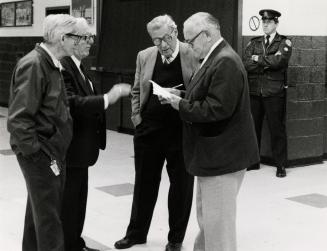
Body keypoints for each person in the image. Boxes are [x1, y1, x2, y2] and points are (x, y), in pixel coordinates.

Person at [160, 12, 259, 251]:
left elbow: (217, 110)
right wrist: (181, 95)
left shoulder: (225, 61)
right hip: (212, 156)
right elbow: (206, 96)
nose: (189, 46)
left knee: (219, 228)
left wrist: (179, 105)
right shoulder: (213, 57)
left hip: (222, 157)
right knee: (209, 221)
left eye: (191, 41)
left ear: (206, 35)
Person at [114, 14, 196, 251]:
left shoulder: (192, 54)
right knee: (144, 184)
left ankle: (175, 238)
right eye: (155, 39)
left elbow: (200, 92)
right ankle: (136, 233)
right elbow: (138, 90)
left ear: (175, 32)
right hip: (149, 130)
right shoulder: (145, 55)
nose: (160, 44)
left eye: (164, 38)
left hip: (180, 130)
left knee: (181, 186)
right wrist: (137, 119)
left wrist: (178, 96)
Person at [7, 14, 79, 251]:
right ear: (61, 37)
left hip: (51, 150)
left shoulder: (51, 64)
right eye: (75, 37)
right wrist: (38, 154)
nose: (78, 42)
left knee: (38, 213)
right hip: (42, 154)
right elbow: (19, 119)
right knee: (49, 221)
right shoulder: (35, 64)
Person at [60, 18, 131, 251]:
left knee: (79, 200)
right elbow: (72, 103)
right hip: (71, 149)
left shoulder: (78, 65)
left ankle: (75, 242)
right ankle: (69, 244)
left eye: (90, 37)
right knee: (69, 202)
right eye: (85, 38)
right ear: (68, 39)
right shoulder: (63, 67)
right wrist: (107, 98)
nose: (90, 42)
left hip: (83, 150)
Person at [244, 9, 292, 177]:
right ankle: (253, 161)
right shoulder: (254, 42)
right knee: (253, 128)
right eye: (263, 22)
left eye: (269, 22)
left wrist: (258, 59)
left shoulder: (283, 42)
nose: (265, 24)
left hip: (274, 92)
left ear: (276, 23)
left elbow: (279, 62)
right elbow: (246, 64)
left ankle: (281, 165)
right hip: (255, 91)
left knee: (276, 129)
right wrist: (266, 62)